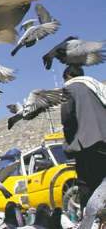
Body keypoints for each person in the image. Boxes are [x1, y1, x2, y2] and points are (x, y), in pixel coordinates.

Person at [60, 65, 106, 208]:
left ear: (68, 76)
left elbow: (67, 119)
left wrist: (69, 145)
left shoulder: (70, 88)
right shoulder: (98, 87)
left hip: (88, 144)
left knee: (86, 185)